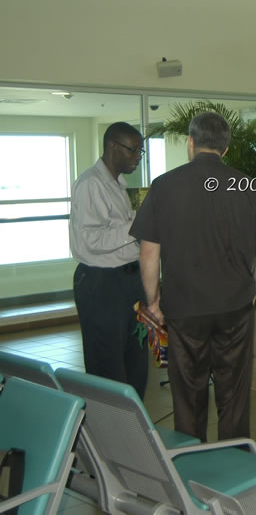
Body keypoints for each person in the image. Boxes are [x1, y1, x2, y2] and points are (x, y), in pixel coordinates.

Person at [130, 112, 256, 442]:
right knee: (234, 391)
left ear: (190, 142)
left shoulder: (164, 186)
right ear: (226, 149)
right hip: (234, 306)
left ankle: (190, 460)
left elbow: (148, 252)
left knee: (187, 392)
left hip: (184, 306)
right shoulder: (246, 185)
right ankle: (235, 463)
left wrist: (153, 300)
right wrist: (252, 289)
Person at [69, 122, 149, 398]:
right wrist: (137, 225)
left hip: (128, 281)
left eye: (141, 151)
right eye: (133, 150)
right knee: (107, 365)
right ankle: (109, 431)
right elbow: (89, 241)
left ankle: (134, 428)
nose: (138, 157)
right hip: (102, 284)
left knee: (135, 361)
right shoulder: (91, 183)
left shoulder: (117, 183)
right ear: (112, 147)